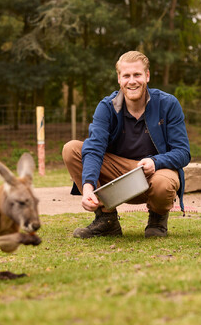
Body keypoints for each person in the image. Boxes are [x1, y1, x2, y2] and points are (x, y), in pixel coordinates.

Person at [62, 50, 191, 238]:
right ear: (119, 79)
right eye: (127, 76)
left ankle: (157, 220)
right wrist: (88, 185)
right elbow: (94, 148)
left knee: (164, 183)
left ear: (147, 76)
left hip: (154, 173)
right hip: (117, 174)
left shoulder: (168, 104)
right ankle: (106, 221)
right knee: (71, 149)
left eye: (137, 75)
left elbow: (183, 152)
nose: (132, 81)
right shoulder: (106, 107)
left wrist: (155, 162)